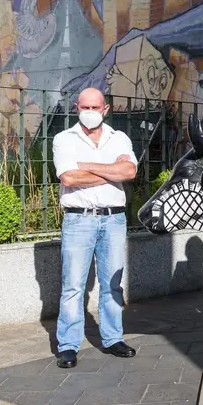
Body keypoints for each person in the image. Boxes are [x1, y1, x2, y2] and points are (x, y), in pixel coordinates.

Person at [51, 88, 139, 369]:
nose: (89, 112)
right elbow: (68, 177)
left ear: (106, 109)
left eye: (95, 107)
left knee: (112, 283)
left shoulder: (119, 138)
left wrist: (87, 166)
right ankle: (68, 345)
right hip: (79, 219)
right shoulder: (64, 139)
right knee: (73, 286)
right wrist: (109, 169)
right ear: (76, 108)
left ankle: (113, 338)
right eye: (84, 107)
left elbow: (129, 172)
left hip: (114, 219)